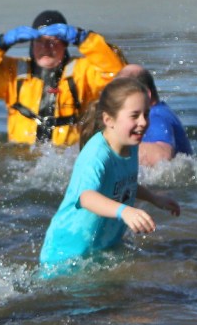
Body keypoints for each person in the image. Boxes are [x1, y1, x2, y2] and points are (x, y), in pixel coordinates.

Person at [39, 77, 181, 271]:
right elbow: (87, 197)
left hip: (102, 247)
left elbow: (125, 183)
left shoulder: (130, 147)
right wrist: (125, 211)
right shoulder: (97, 154)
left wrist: (154, 198)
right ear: (109, 120)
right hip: (67, 253)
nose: (143, 122)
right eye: (135, 115)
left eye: (146, 114)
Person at [0, 10, 126, 146]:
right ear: (31, 44)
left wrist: (83, 38)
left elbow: (118, 74)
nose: (46, 48)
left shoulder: (82, 72)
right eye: (39, 42)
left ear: (65, 44)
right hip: (22, 157)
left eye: (53, 42)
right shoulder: (13, 74)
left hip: (66, 155)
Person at [116, 64, 193, 166]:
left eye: (122, 95)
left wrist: (115, 145)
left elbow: (162, 156)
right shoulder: (161, 111)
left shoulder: (156, 117)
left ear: (146, 94)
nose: (116, 101)